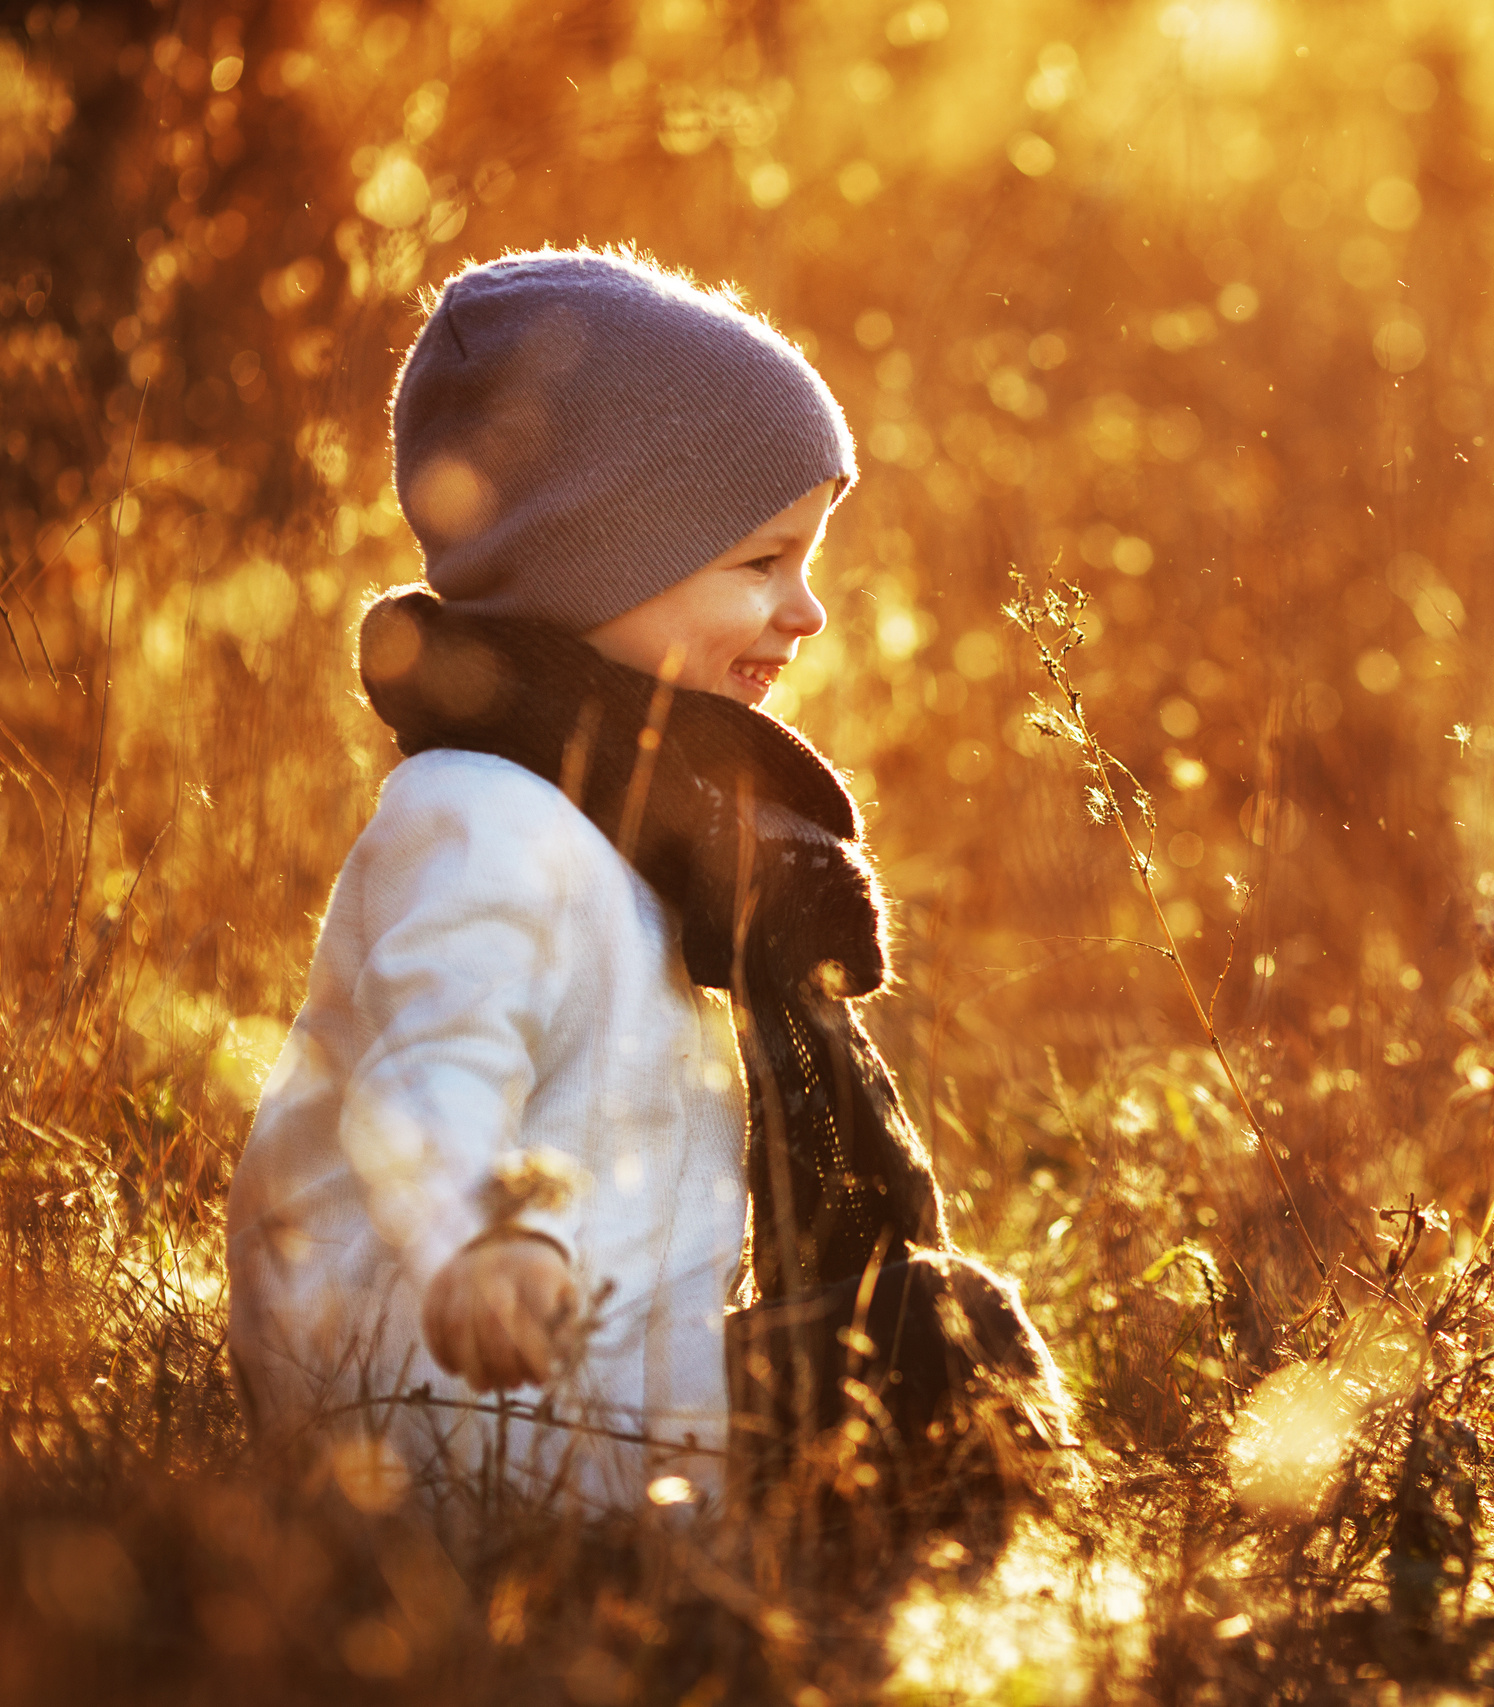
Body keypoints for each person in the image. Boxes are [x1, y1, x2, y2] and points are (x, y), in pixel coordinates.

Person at [227, 248, 1062, 1530]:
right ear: (594, 561)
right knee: (938, 1348)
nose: (808, 613)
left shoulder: (635, 816)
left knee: (918, 1338)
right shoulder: (477, 819)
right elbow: (422, 1075)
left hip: (586, 1369)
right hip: (451, 1400)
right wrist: (471, 1245)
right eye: (760, 563)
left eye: (808, 561)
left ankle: (850, 1574)